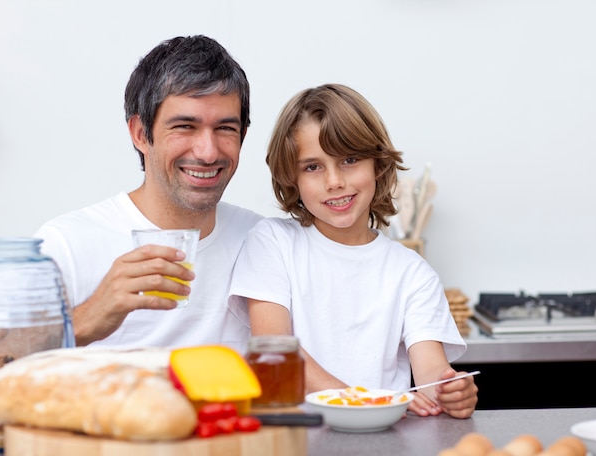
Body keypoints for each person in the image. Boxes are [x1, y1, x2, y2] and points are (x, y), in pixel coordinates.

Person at [229, 84, 478, 418]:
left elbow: (431, 372)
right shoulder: (273, 242)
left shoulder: (411, 271)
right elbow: (275, 352)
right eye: (313, 167)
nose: (334, 181)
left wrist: (450, 390)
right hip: (296, 442)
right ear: (293, 178)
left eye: (349, 160)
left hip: (386, 441)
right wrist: (360, 399)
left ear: (377, 164)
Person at [34, 35, 262, 352]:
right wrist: (86, 320)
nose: (208, 152)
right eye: (185, 126)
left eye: (225, 128)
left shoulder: (264, 242)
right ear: (141, 134)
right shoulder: (67, 244)